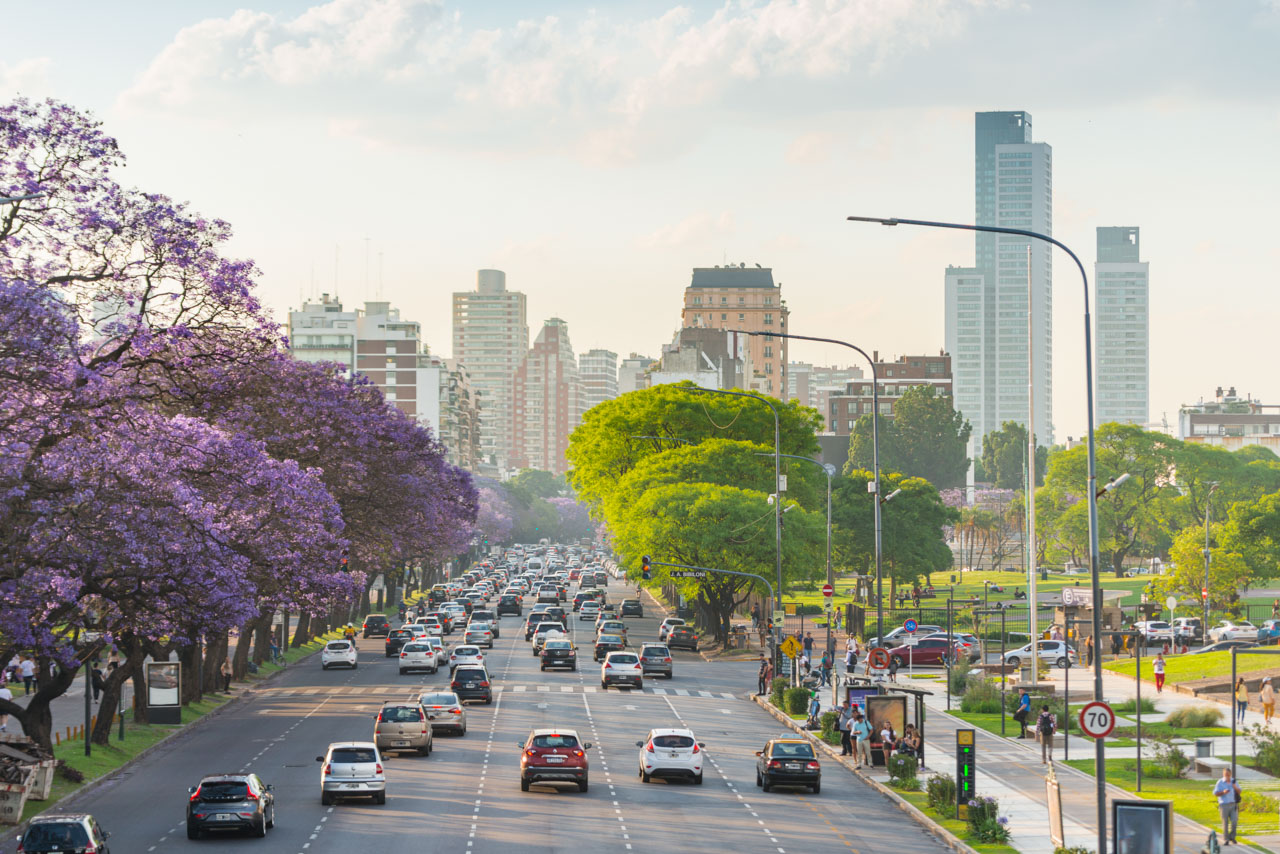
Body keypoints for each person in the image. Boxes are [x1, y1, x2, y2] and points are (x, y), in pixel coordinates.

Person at [1214, 768, 1240, 845]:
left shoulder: (1234, 781)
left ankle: (1232, 837)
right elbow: (1215, 793)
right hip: (1224, 804)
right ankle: (1226, 839)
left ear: (1230, 774)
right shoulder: (1220, 782)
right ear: (1223, 774)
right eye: (1226, 775)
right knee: (1225, 822)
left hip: (1233, 804)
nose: (1227, 776)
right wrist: (1223, 792)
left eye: (1228, 775)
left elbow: (1239, 791)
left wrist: (1234, 786)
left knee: (1234, 821)